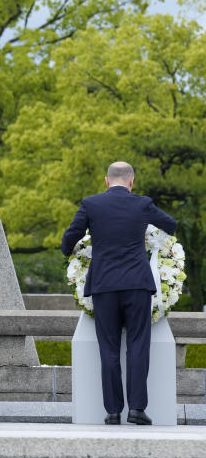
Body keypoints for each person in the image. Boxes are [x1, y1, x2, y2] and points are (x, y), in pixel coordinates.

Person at [61, 161, 177, 425]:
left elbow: (70, 238)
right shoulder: (142, 204)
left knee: (108, 348)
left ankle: (113, 411)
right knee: (138, 345)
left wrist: (73, 251)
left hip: (104, 284)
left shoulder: (91, 204)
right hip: (137, 283)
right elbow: (171, 224)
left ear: (106, 181)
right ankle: (137, 409)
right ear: (131, 181)